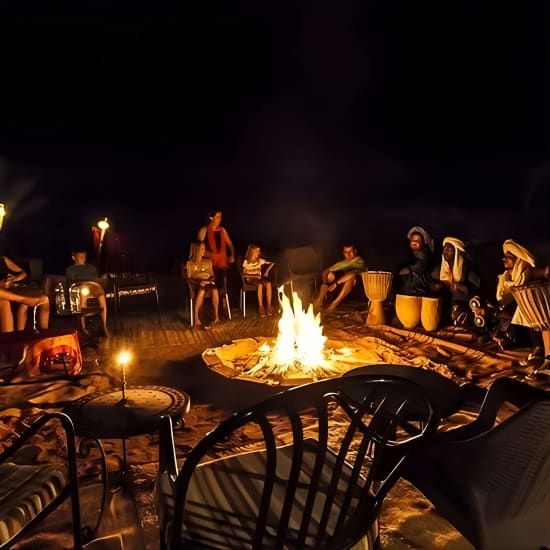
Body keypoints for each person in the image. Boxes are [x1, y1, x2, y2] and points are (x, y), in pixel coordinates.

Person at [430, 236, 481, 326]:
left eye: (449, 249)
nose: (445, 251)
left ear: (457, 252)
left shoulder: (466, 267)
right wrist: (438, 286)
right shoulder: (440, 268)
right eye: (444, 248)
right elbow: (431, 283)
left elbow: (475, 289)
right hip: (445, 303)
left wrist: (459, 286)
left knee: (459, 315)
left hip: (462, 303)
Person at [197, 210, 235, 318]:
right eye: (217, 217)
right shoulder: (204, 230)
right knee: (211, 287)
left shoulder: (222, 230)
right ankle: (209, 313)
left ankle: (220, 312)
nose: (220, 219)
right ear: (211, 218)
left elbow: (230, 244)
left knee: (220, 287)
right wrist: (207, 253)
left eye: (220, 217)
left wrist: (232, 254)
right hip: (208, 265)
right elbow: (197, 248)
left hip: (222, 264)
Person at [65, 248, 109, 336]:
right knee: (83, 295)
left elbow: (95, 278)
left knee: (101, 296)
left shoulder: (90, 267)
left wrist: (102, 279)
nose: (83, 258)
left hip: (93, 285)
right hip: (81, 286)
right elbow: (71, 281)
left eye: (84, 256)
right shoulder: (71, 269)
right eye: (80, 256)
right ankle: (83, 327)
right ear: (74, 257)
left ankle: (104, 325)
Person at [0, 254, 49, 332]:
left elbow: (23, 273)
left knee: (44, 299)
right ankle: (14, 338)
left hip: (10, 289)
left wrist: (14, 278)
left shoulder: (3, 259)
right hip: (4, 293)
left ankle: (44, 336)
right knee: (4, 302)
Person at [314, 244, 366, 312]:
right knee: (330, 275)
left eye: (350, 251)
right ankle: (320, 300)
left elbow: (352, 274)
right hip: (347, 290)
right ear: (343, 253)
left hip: (361, 291)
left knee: (350, 278)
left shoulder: (360, 261)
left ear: (355, 251)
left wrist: (336, 283)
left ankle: (333, 305)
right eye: (346, 252)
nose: (348, 254)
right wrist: (324, 284)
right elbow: (325, 271)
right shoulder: (344, 262)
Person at [185, 240, 220, 329]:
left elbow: (212, 275)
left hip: (208, 281)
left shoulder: (207, 262)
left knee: (215, 290)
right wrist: (199, 282)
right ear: (196, 250)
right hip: (197, 283)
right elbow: (189, 278)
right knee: (201, 290)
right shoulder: (190, 263)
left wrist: (209, 280)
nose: (204, 250)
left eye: (204, 248)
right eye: (202, 249)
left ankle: (216, 317)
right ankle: (196, 319)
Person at [394, 225, 436, 297]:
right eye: (412, 241)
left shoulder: (424, 253)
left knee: (411, 284)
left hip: (421, 277)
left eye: (417, 241)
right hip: (414, 274)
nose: (414, 243)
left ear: (422, 242)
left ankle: (416, 290)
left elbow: (421, 266)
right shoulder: (414, 252)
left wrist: (409, 269)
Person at [242, 244, 275, 316]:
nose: (258, 252)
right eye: (257, 251)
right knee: (260, 285)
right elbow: (244, 274)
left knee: (268, 283)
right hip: (251, 278)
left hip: (259, 278)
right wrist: (253, 276)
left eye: (259, 251)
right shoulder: (246, 262)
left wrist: (267, 271)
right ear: (252, 252)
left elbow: (272, 263)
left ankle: (269, 306)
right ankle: (261, 307)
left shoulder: (260, 260)